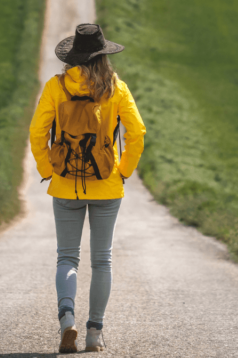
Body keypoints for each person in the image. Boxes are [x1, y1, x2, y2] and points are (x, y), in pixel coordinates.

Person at [29, 23, 145, 353]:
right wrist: (123, 171)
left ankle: (67, 320)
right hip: (106, 184)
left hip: (65, 184)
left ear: (72, 57)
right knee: (102, 260)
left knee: (67, 257)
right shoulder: (116, 87)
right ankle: (94, 333)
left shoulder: (56, 86)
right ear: (104, 56)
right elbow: (137, 133)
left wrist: (47, 170)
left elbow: (38, 133)